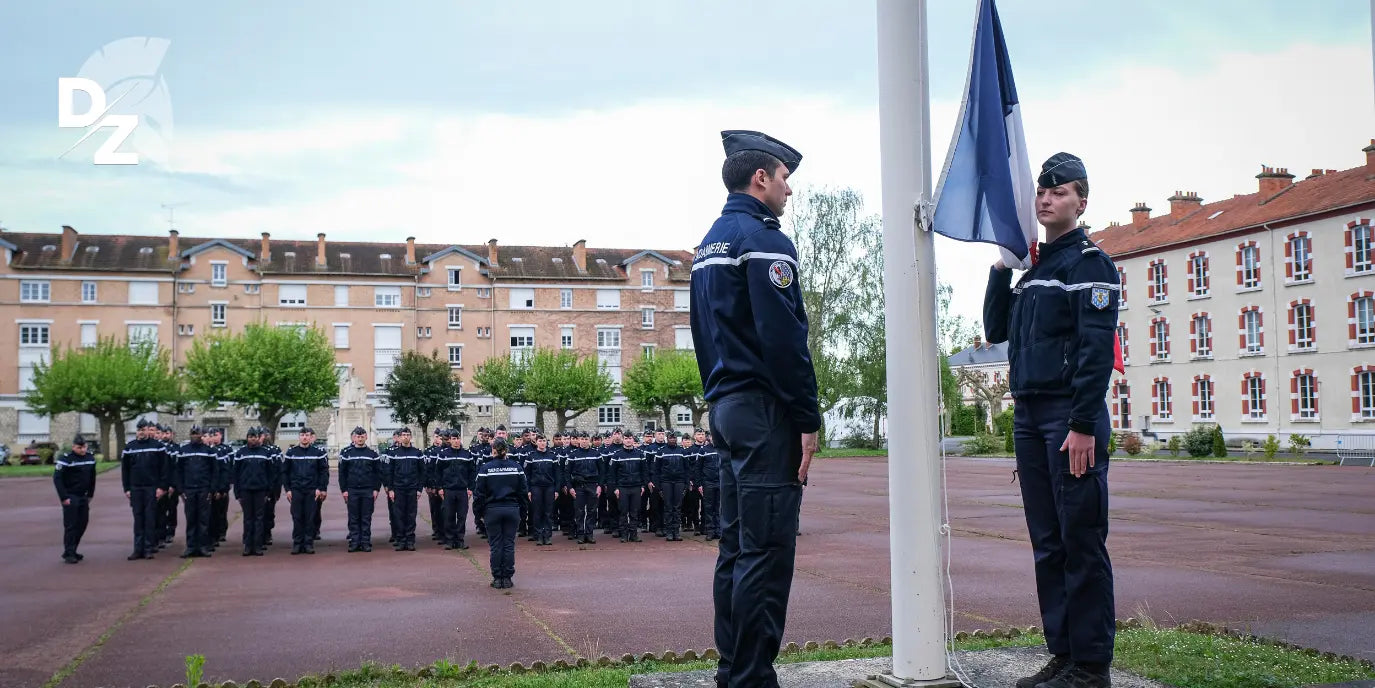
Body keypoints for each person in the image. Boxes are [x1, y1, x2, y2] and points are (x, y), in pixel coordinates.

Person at [690, 130, 820, 688]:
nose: (789, 190)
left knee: (736, 549)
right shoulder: (764, 240)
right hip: (765, 413)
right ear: (760, 178)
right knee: (765, 554)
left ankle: (733, 671)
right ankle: (751, 679)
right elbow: (784, 339)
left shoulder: (708, 244)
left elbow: (703, 335)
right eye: (784, 178)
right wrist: (807, 418)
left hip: (725, 406)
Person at [984, 153, 1118, 688]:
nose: (1045, 198)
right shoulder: (1036, 269)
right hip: (1030, 415)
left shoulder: (1090, 265)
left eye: (1058, 191)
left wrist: (1083, 424)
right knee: (1048, 543)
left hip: (1069, 418)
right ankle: (1063, 654)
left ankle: (1091, 666)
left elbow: (1094, 350)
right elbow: (996, 330)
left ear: (1081, 202)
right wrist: (1001, 267)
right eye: (1042, 191)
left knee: (1080, 540)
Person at [474, 438, 527, 589]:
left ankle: (497, 578)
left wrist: (478, 514)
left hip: (492, 510)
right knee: (509, 544)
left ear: (493, 451)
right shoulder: (516, 468)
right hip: (512, 509)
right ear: (506, 451)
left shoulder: (485, 469)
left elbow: (479, 494)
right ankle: (507, 578)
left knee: (496, 545)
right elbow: (523, 492)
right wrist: (523, 512)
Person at [122, 419, 172, 560]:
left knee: (150, 519)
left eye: (144, 430)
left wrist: (162, 487)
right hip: (136, 488)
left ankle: (148, 548)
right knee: (138, 519)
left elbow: (164, 469)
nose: (141, 432)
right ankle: (138, 549)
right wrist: (127, 488)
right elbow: (125, 470)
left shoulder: (157, 446)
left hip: (151, 487)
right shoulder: (129, 447)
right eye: (139, 430)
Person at [282, 428, 329, 554]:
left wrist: (320, 488)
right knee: (297, 517)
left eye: (307, 435)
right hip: (296, 490)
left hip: (311, 490)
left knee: (310, 517)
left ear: (310, 437)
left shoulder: (317, 452)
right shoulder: (291, 452)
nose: (304, 437)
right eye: (302, 435)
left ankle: (308, 543)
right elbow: (285, 472)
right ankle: (297, 543)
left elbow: (323, 472)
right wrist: (287, 489)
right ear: (299, 437)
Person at [174, 427, 218, 558]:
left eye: (197, 434)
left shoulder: (209, 451)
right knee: (191, 519)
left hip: (204, 488)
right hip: (189, 489)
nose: (195, 436)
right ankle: (191, 547)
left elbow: (215, 471)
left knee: (203, 520)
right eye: (192, 434)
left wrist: (212, 489)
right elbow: (178, 471)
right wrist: (180, 490)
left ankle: (203, 547)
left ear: (201, 435)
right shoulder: (183, 450)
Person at [54, 435, 97, 563]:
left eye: (84, 447)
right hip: (70, 495)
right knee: (71, 525)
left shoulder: (90, 458)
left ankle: (72, 549)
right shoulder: (66, 459)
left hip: (83, 495)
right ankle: (69, 552)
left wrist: (90, 494)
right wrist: (64, 497)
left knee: (83, 523)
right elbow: (57, 479)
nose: (82, 450)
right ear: (73, 447)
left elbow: (92, 477)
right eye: (79, 447)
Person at [339, 426, 383, 552]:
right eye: (358, 437)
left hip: (367, 490)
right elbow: (342, 473)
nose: (360, 439)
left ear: (366, 437)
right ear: (354, 438)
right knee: (354, 517)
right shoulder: (347, 454)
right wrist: (344, 490)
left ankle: (365, 542)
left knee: (366, 517)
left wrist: (376, 489)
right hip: (352, 490)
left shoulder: (372, 454)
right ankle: (354, 542)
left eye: (362, 436)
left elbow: (378, 473)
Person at [435, 429, 478, 550]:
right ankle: (449, 540)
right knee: (448, 515)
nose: (456, 441)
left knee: (462, 516)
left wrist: (471, 488)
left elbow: (472, 472)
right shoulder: (443, 454)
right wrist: (439, 488)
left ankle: (459, 540)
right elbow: (438, 472)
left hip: (462, 490)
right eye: (454, 439)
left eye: (458, 438)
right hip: (448, 490)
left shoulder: (466, 454)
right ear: (450, 440)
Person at [386, 427, 427, 551]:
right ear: (399, 437)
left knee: (411, 515)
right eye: (403, 435)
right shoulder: (394, 453)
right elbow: (389, 472)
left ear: (411, 437)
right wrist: (390, 489)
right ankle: (401, 540)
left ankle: (410, 541)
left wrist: (419, 489)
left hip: (412, 489)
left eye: (408, 435)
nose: (405, 437)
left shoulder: (417, 453)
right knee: (399, 515)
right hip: (398, 489)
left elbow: (422, 472)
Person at [564, 432, 603, 544]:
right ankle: (580, 534)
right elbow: (567, 473)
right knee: (579, 512)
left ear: (589, 441)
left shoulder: (596, 454)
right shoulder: (573, 455)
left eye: (586, 439)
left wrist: (600, 486)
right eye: (582, 439)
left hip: (592, 485)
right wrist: (570, 487)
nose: (584, 441)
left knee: (592, 511)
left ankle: (589, 534)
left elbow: (602, 472)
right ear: (579, 440)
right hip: (578, 486)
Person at [609, 433, 649, 543]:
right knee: (623, 512)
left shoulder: (640, 454)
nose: (628, 440)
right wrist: (615, 488)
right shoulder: (617, 455)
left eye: (630, 438)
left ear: (633, 440)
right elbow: (612, 474)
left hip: (636, 487)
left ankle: (634, 535)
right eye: (626, 438)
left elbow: (644, 472)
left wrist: (643, 486)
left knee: (634, 512)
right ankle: (624, 535)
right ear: (623, 440)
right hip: (622, 487)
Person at [523, 434, 561, 546]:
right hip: (536, 487)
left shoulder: (552, 456)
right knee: (537, 512)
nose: (542, 443)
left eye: (544, 441)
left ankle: (547, 536)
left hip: (549, 487)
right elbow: (527, 475)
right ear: (536, 442)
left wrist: (557, 490)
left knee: (549, 512)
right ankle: (539, 535)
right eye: (540, 441)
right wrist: (528, 490)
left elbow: (557, 474)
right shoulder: (531, 456)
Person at [654, 432, 690, 541]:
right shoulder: (661, 451)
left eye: (674, 438)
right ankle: (669, 531)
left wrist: (686, 484)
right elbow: (656, 470)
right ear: (667, 439)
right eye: (670, 438)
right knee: (668, 507)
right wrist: (659, 486)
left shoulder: (682, 451)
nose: (672, 440)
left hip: (679, 481)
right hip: (666, 482)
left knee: (677, 507)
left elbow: (687, 469)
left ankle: (676, 531)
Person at [692, 428, 722, 540]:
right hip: (708, 482)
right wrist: (699, 484)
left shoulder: (722, 449)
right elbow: (697, 469)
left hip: (720, 482)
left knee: (718, 508)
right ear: (709, 438)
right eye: (713, 436)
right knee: (708, 507)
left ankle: (718, 530)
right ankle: (710, 531)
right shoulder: (703, 450)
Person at [424, 430, 446, 542]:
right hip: (433, 485)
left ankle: (444, 532)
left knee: (444, 510)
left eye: (440, 437)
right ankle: (437, 530)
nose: (439, 439)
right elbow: (428, 470)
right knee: (435, 509)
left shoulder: (445, 451)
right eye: (437, 437)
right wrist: (429, 485)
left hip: (444, 485)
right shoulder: (429, 451)